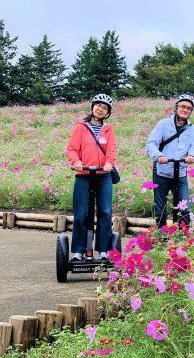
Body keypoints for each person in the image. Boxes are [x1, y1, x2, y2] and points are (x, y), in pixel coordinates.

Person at [66, 94, 117, 262]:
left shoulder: (108, 129)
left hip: (103, 176)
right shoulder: (80, 127)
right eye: (98, 105)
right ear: (92, 107)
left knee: (105, 212)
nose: (100, 109)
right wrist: (76, 162)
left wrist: (109, 163)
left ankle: (103, 251)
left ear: (108, 112)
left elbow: (111, 150)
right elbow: (72, 149)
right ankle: (78, 251)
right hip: (84, 175)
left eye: (104, 107)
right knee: (81, 213)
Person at [146, 94, 194, 229]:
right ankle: (161, 237)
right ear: (176, 108)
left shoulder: (192, 129)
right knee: (160, 207)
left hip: (180, 172)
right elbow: (151, 143)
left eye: (189, 108)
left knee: (184, 206)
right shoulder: (163, 124)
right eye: (183, 106)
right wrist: (158, 156)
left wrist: (192, 156)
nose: (185, 110)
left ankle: (183, 236)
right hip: (162, 172)